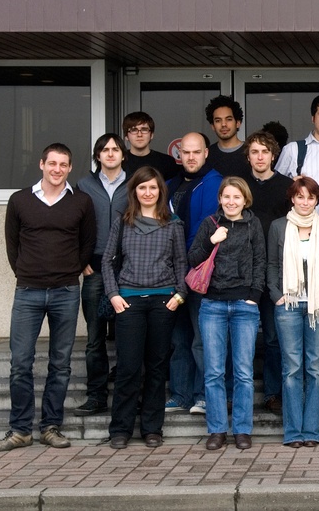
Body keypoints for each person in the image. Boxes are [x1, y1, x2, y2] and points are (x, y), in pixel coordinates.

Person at [0, 143, 96, 452]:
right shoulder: (20, 200)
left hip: (66, 291)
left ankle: (51, 426)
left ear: (69, 168)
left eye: (64, 164)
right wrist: (25, 272)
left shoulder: (82, 202)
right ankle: (20, 430)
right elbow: (13, 244)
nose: (57, 169)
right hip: (28, 291)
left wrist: (70, 270)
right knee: (20, 362)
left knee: (60, 364)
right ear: (42, 164)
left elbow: (87, 243)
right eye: (52, 163)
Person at [103, 167, 188, 449]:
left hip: (163, 302)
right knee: (128, 367)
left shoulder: (173, 223)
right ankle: (120, 430)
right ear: (134, 191)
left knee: (156, 367)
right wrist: (114, 294)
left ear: (160, 191)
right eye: (142, 188)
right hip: (128, 302)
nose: (148, 193)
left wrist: (179, 295)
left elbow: (181, 264)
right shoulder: (123, 222)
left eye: (153, 188)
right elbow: (107, 262)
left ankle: (152, 428)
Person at [189, 176, 266, 451]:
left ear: (245, 200)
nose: (231, 202)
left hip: (244, 306)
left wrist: (254, 296)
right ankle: (218, 430)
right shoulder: (210, 223)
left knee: (244, 373)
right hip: (212, 305)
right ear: (220, 199)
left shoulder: (253, 224)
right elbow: (193, 259)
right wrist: (212, 240)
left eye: (237, 197)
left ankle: (242, 430)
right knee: (214, 372)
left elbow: (260, 260)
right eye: (226, 197)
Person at [266, 176, 319, 448]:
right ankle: (293, 431)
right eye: (300, 197)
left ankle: (311, 430)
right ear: (292, 198)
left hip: (318, 306)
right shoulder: (278, 227)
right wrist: (276, 295)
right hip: (289, 305)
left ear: (317, 199)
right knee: (292, 368)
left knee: (316, 369)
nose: (305, 202)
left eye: (310, 197)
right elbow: (271, 264)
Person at [164, 132, 223, 414]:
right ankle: (180, 393)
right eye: (185, 152)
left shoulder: (215, 184)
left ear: (206, 153)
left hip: (199, 273)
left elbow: (204, 229)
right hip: (171, 275)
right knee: (178, 338)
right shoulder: (169, 185)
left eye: (196, 152)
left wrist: (185, 261)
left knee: (201, 339)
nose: (190, 157)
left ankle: (202, 394)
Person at [74, 133, 128, 417]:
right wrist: (80, 261)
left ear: (122, 154)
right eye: (105, 150)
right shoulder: (83, 185)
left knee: (125, 336)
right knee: (95, 337)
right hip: (93, 268)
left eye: (115, 149)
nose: (110, 154)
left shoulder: (134, 184)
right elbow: (71, 223)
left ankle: (124, 394)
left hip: (126, 269)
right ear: (97, 155)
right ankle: (95, 396)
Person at [244, 131, 293, 417]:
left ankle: (274, 393)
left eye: (264, 151)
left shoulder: (287, 187)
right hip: (245, 271)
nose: (260, 156)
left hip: (277, 271)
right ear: (248, 155)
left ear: (273, 155)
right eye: (254, 151)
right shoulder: (239, 186)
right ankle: (240, 392)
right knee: (241, 337)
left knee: (275, 337)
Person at [203, 94, 252, 181]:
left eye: (229, 119)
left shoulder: (251, 153)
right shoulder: (206, 156)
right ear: (212, 126)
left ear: (238, 123)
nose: (223, 124)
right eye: (218, 120)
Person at [121, 111, 179, 181]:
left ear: (151, 135)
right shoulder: (119, 161)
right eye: (134, 130)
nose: (139, 135)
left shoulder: (167, 162)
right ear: (126, 136)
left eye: (144, 129)